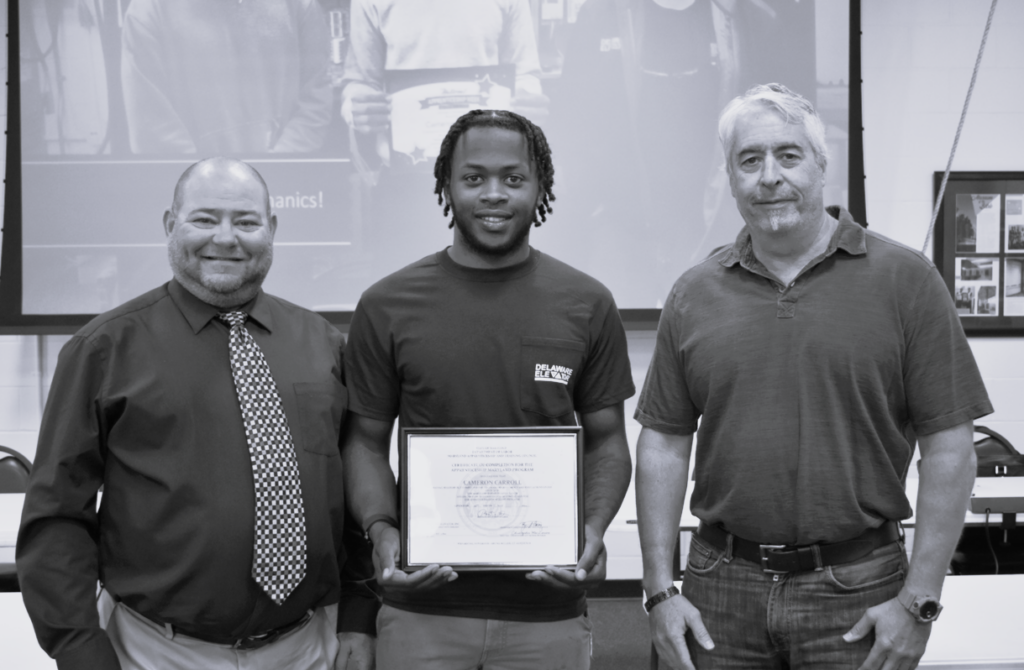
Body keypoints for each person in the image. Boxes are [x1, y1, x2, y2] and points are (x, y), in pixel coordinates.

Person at [634, 84, 992, 670]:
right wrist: (658, 591)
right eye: (749, 160)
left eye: (788, 155)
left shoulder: (907, 281)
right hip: (718, 590)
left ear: (822, 165)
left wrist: (921, 602)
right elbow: (664, 445)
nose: (769, 176)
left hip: (859, 591)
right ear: (730, 178)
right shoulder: (693, 293)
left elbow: (951, 448)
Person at [17, 158, 377, 670]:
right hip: (152, 652)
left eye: (246, 221)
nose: (226, 238)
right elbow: (56, 519)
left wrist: (360, 618)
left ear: (271, 230)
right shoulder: (103, 349)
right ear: (170, 225)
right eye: (204, 219)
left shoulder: (323, 346)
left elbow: (351, 501)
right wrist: (81, 651)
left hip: (309, 648)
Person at [341, 109, 635, 670]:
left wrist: (594, 530)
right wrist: (382, 530)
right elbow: (364, 442)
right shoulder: (387, 305)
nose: (493, 194)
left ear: (540, 187)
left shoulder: (587, 303)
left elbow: (606, 441)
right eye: (473, 178)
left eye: (513, 178)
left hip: (548, 608)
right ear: (446, 187)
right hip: (420, 607)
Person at [121, 0, 333, 154]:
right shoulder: (148, 13)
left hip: (285, 192)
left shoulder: (299, 6)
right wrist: (214, 193)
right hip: (195, 201)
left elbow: (314, 99)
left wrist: (274, 174)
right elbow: (155, 134)